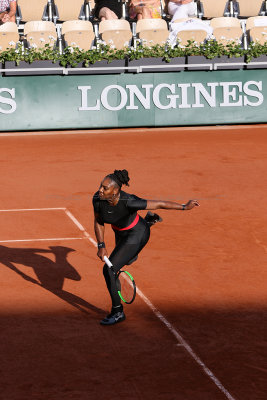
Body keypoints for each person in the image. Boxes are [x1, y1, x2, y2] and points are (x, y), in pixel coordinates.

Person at [93, 169, 199, 326]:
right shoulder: (97, 199)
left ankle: (117, 312)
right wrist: (101, 245)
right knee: (124, 263)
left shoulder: (129, 201)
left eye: (105, 188)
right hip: (120, 233)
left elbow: (159, 204)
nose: (100, 190)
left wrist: (184, 206)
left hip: (137, 234)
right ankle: (149, 221)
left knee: (109, 270)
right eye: (101, 186)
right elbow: (99, 221)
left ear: (115, 191)